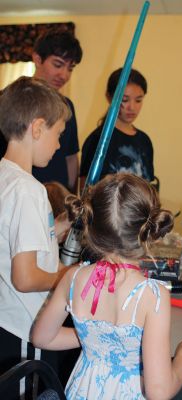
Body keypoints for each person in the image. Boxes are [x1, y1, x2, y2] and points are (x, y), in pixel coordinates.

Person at [31, 173, 182, 400]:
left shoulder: (73, 277)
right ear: (150, 233)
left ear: (92, 229)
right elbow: (158, 391)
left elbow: (42, 338)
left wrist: (96, 337)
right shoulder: (152, 295)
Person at [0, 76, 72, 399]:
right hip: (25, 329)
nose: (58, 146)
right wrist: (69, 277)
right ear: (38, 128)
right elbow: (26, 276)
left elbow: (18, 240)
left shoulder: (6, 177)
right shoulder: (29, 190)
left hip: (6, 320)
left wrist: (58, 226)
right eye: (58, 135)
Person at [79, 68, 154, 193]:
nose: (132, 107)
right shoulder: (97, 140)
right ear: (109, 97)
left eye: (138, 100)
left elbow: (149, 189)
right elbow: (85, 192)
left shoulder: (144, 141)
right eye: (124, 100)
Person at [32, 28, 83, 194]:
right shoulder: (11, 100)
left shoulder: (67, 106)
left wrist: (72, 197)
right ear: (37, 59)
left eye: (70, 68)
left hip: (58, 200)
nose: (64, 75)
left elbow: (70, 157)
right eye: (58, 65)